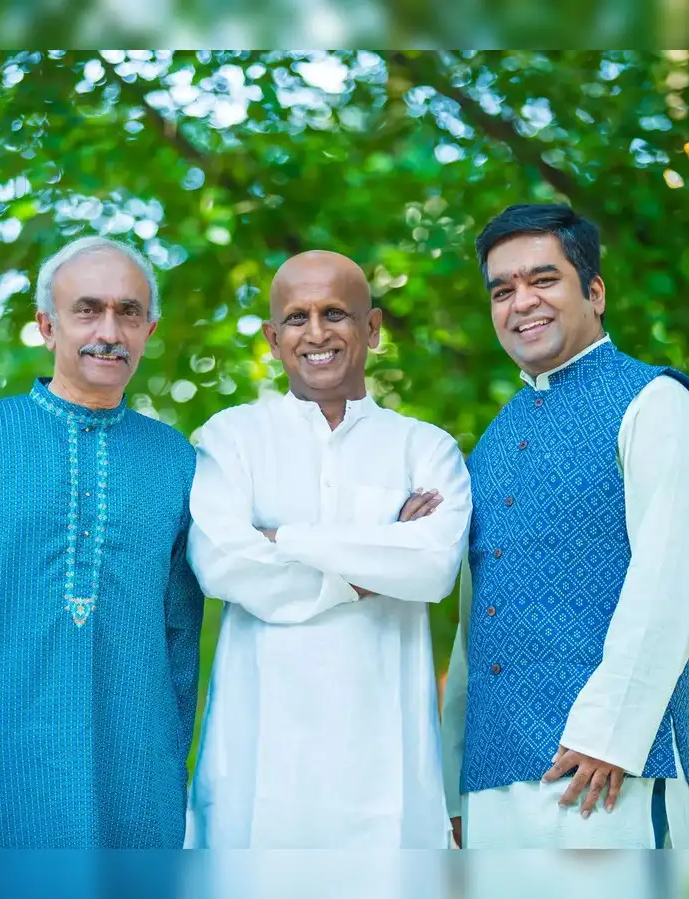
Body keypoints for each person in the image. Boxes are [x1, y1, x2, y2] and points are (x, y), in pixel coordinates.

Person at [0, 236, 204, 849]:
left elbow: (180, 637)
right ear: (47, 325)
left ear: (149, 330)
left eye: (129, 312)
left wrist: (168, 778)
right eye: (87, 310)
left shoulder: (176, 460)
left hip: (134, 786)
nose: (109, 331)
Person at [441, 204, 689, 849]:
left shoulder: (657, 403)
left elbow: (670, 584)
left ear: (595, 292)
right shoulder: (492, 441)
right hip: (491, 785)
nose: (522, 302)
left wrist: (609, 736)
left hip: (608, 776)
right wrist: (453, 778)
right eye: (502, 290)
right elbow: (472, 620)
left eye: (544, 280)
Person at [185, 250, 471, 848]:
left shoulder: (426, 448)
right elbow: (223, 564)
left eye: (335, 313)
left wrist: (283, 538)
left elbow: (432, 567)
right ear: (273, 339)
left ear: (372, 328)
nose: (316, 333)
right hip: (258, 774)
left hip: (389, 777)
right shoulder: (231, 437)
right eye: (297, 317)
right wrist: (372, 564)